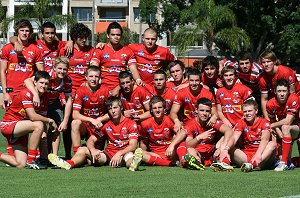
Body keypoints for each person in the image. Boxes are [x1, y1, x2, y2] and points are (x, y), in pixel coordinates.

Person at [48, 96, 139, 170]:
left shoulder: (131, 123)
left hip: (123, 154)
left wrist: (119, 153)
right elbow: (90, 140)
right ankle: (68, 164)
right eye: (110, 109)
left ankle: (133, 164)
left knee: (129, 156)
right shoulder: (106, 125)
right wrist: (93, 150)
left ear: (121, 108)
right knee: (82, 149)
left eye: (115, 108)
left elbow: (133, 145)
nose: (113, 111)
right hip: (108, 154)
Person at [0, 71, 57, 169]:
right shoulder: (26, 92)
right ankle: (32, 160)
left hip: (21, 128)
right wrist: (50, 120)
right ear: (35, 82)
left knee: (20, 164)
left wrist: (43, 141)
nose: (43, 86)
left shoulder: (46, 96)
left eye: (46, 84)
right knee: (39, 124)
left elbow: (41, 121)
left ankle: (42, 158)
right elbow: (32, 116)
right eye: (41, 83)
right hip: (9, 124)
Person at [24, 56, 73, 158]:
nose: (62, 71)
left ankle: (54, 157)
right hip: (41, 101)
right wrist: (36, 95)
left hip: (54, 102)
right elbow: (27, 81)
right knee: (41, 127)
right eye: (59, 68)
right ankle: (38, 154)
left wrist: (65, 121)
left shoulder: (67, 80)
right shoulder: (47, 75)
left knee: (58, 127)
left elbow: (68, 101)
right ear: (54, 67)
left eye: (65, 69)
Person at [212, 99, 276, 172]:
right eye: (245, 111)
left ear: (256, 111)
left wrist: (258, 154)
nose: (247, 113)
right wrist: (225, 149)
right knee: (230, 146)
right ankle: (225, 163)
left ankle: (254, 164)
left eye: (250, 111)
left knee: (272, 144)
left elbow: (265, 139)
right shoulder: (241, 122)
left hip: (263, 154)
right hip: (246, 155)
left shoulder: (265, 122)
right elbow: (234, 138)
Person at [133, 96, 186, 169]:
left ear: (164, 109)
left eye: (160, 107)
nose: (157, 110)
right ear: (151, 110)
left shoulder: (169, 120)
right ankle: (172, 164)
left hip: (170, 152)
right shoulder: (145, 124)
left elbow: (183, 133)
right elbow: (144, 142)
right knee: (140, 153)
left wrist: (171, 146)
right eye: (154, 108)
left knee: (181, 142)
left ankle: (183, 161)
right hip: (156, 154)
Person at [0, 19, 44, 107]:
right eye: (22, 30)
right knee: (11, 119)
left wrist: (34, 90)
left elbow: (41, 72)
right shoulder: (7, 48)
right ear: (17, 32)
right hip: (11, 91)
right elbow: (2, 71)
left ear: (30, 32)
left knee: (29, 117)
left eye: (27, 31)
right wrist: (5, 92)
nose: (24, 33)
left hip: (28, 90)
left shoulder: (35, 49)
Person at [90, 22, 142, 91]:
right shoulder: (100, 49)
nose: (116, 37)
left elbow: (133, 70)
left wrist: (138, 80)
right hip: (103, 88)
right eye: (113, 35)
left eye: (118, 35)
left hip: (122, 88)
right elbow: (94, 69)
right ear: (108, 35)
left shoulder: (127, 51)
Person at [71, 66, 110, 154]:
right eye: (91, 76)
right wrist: (91, 120)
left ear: (100, 78)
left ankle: (110, 151)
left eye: (96, 76)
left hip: (100, 125)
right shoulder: (80, 90)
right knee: (75, 123)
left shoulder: (105, 90)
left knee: (94, 157)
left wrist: (101, 119)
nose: (93, 79)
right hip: (86, 125)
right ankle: (77, 153)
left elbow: (112, 112)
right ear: (86, 77)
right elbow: (75, 114)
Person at [185, 98, 233, 168]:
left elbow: (229, 130)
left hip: (212, 151)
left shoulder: (212, 122)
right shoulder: (190, 124)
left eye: (207, 111)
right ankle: (197, 162)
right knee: (190, 150)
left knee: (224, 137)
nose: (204, 113)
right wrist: (199, 137)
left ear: (210, 112)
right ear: (196, 110)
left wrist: (222, 147)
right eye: (202, 110)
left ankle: (223, 162)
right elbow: (188, 145)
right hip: (199, 153)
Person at [266, 79, 300, 171]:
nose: (282, 94)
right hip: (285, 131)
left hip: (297, 127)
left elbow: (288, 121)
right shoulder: (270, 104)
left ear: (288, 91)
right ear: (275, 92)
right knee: (283, 158)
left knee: (285, 127)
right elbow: (272, 121)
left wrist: (273, 126)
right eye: (279, 91)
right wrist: (278, 131)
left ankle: (283, 163)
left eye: (284, 91)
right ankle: (288, 161)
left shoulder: (293, 99)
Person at [170, 68, 217, 133]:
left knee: (219, 124)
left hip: (203, 124)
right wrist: (176, 121)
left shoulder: (207, 94)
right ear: (188, 81)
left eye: (196, 80)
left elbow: (215, 112)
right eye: (191, 80)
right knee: (176, 130)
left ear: (200, 81)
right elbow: (173, 112)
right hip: (186, 124)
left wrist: (214, 116)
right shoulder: (182, 93)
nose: (194, 83)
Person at [259, 50, 300, 119]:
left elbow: (292, 93)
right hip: (279, 99)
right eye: (263, 62)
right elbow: (264, 99)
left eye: (269, 61)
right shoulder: (262, 78)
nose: (266, 64)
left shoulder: (285, 72)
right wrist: (267, 119)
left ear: (274, 61)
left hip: (296, 96)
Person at [60, 23, 94, 96]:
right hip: (68, 88)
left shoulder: (91, 50)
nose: (84, 40)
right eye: (81, 37)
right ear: (74, 38)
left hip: (85, 88)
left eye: (86, 37)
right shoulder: (65, 50)